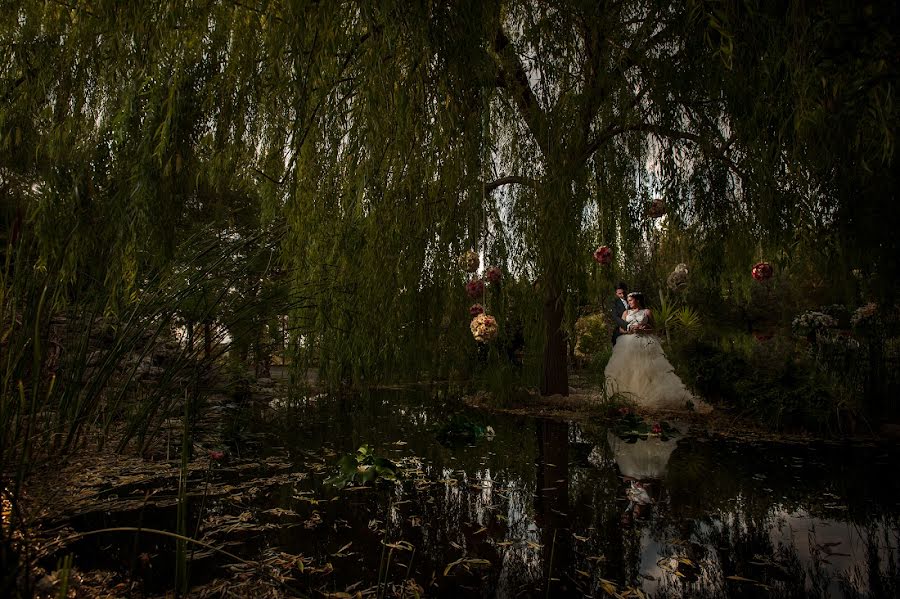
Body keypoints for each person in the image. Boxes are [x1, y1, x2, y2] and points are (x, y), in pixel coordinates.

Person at [605, 292, 712, 412]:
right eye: (628, 300)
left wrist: (645, 329)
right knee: (629, 368)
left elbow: (654, 328)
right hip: (628, 342)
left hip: (645, 342)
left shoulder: (647, 312)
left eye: (631, 300)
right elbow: (621, 329)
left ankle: (647, 396)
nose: (629, 302)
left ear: (638, 300)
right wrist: (631, 329)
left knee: (648, 369)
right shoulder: (626, 313)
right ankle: (628, 397)